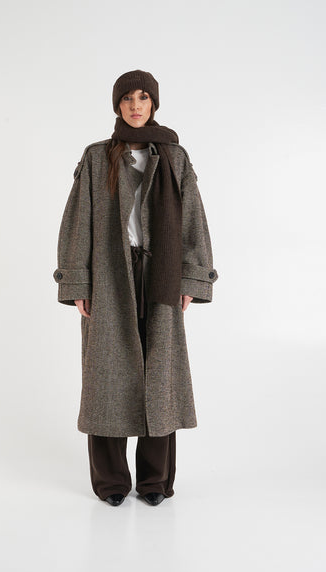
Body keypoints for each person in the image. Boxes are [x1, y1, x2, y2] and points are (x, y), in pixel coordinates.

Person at [53, 69, 218, 507]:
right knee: (107, 376)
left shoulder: (174, 158)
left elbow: (192, 220)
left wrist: (191, 278)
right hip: (110, 276)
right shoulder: (97, 157)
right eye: (127, 98)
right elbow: (77, 222)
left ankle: (154, 481)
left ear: (153, 104)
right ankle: (111, 482)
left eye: (143, 97)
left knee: (159, 376)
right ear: (117, 105)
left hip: (160, 275)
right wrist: (78, 280)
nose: (135, 106)